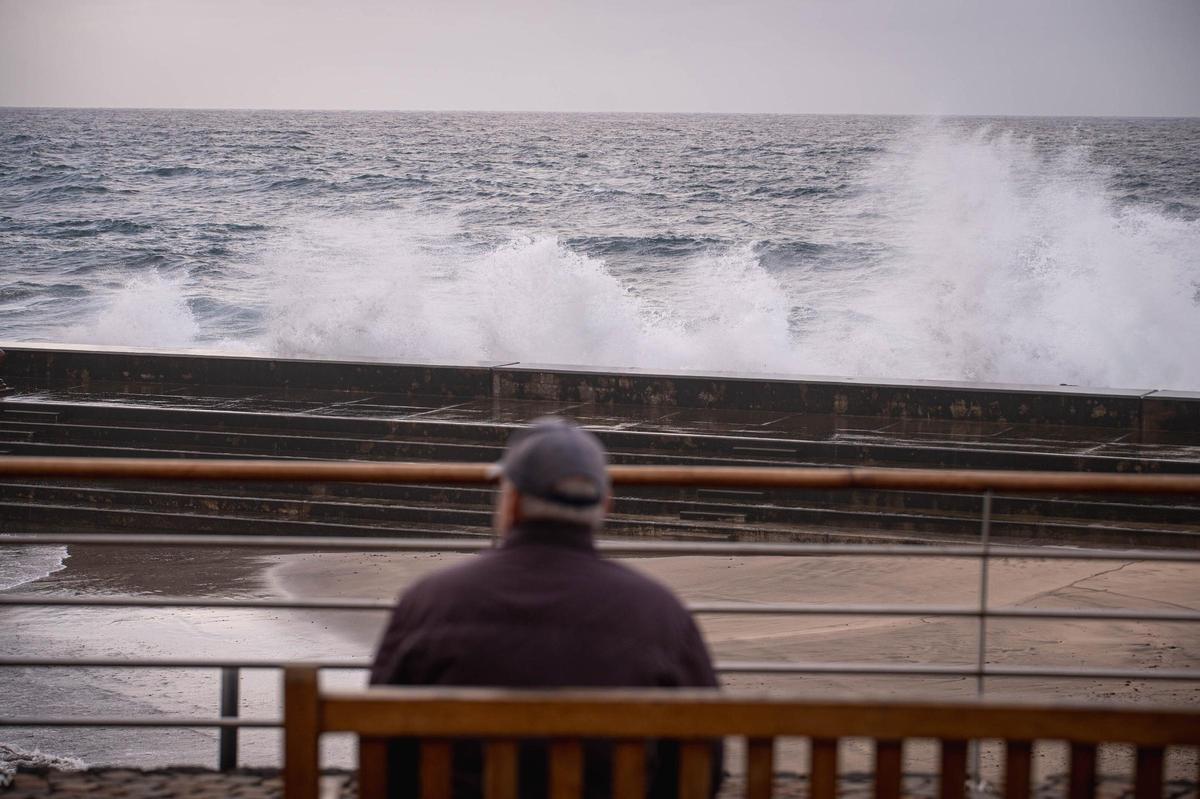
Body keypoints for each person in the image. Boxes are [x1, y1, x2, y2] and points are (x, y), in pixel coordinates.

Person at [370, 416, 723, 798]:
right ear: (605, 503)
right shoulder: (660, 613)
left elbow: (383, 752)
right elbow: (702, 763)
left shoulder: (429, 602)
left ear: (513, 501)